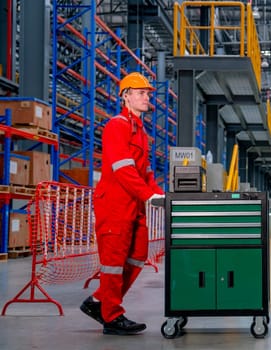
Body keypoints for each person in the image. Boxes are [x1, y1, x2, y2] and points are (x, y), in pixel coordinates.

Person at [80, 72, 165, 335]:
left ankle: (98, 302)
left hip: (134, 204)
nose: (146, 97)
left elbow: (145, 171)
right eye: (141, 92)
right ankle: (111, 316)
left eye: (148, 93)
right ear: (125, 95)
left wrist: (159, 194)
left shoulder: (140, 131)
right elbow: (122, 168)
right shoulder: (117, 125)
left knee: (138, 256)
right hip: (115, 204)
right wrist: (147, 195)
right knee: (113, 262)